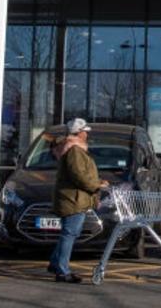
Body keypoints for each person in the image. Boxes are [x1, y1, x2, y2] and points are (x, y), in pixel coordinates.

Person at [48, 118, 109, 283]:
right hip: (73, 198)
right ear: (79, 133)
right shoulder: (75, 150)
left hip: (74, 197)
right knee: (69, 233)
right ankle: (62, 271)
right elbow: (79, 176)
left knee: (69, 233)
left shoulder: (75, 148)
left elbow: (81, 173)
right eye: (85, 131)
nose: (87, 134)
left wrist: (98, 181)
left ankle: (55, 263)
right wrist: (96, 185)